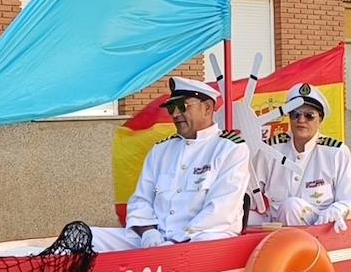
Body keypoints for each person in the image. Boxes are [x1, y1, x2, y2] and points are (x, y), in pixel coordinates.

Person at [91, 77, 249, 251]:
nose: (175, 114)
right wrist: (148, 232)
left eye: (182, 106)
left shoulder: (230, 148)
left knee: (207, 240)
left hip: (201, 238)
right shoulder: (161, 150)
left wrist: (176, 242)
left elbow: (220, 212)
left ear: (207, 108)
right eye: (171, 108)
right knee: (89, 236)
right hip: (157, 239)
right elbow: (140, 201)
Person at [250, 83, 351, 230]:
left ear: (320, 119)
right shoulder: (271, 150)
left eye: (309, 115)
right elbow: (250, 195)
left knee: (291, 206)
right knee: (239, 215)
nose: (301, 120)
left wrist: (337, 210)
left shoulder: (336, 152)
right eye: (295, 114)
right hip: (275, 231)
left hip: (318, 232)